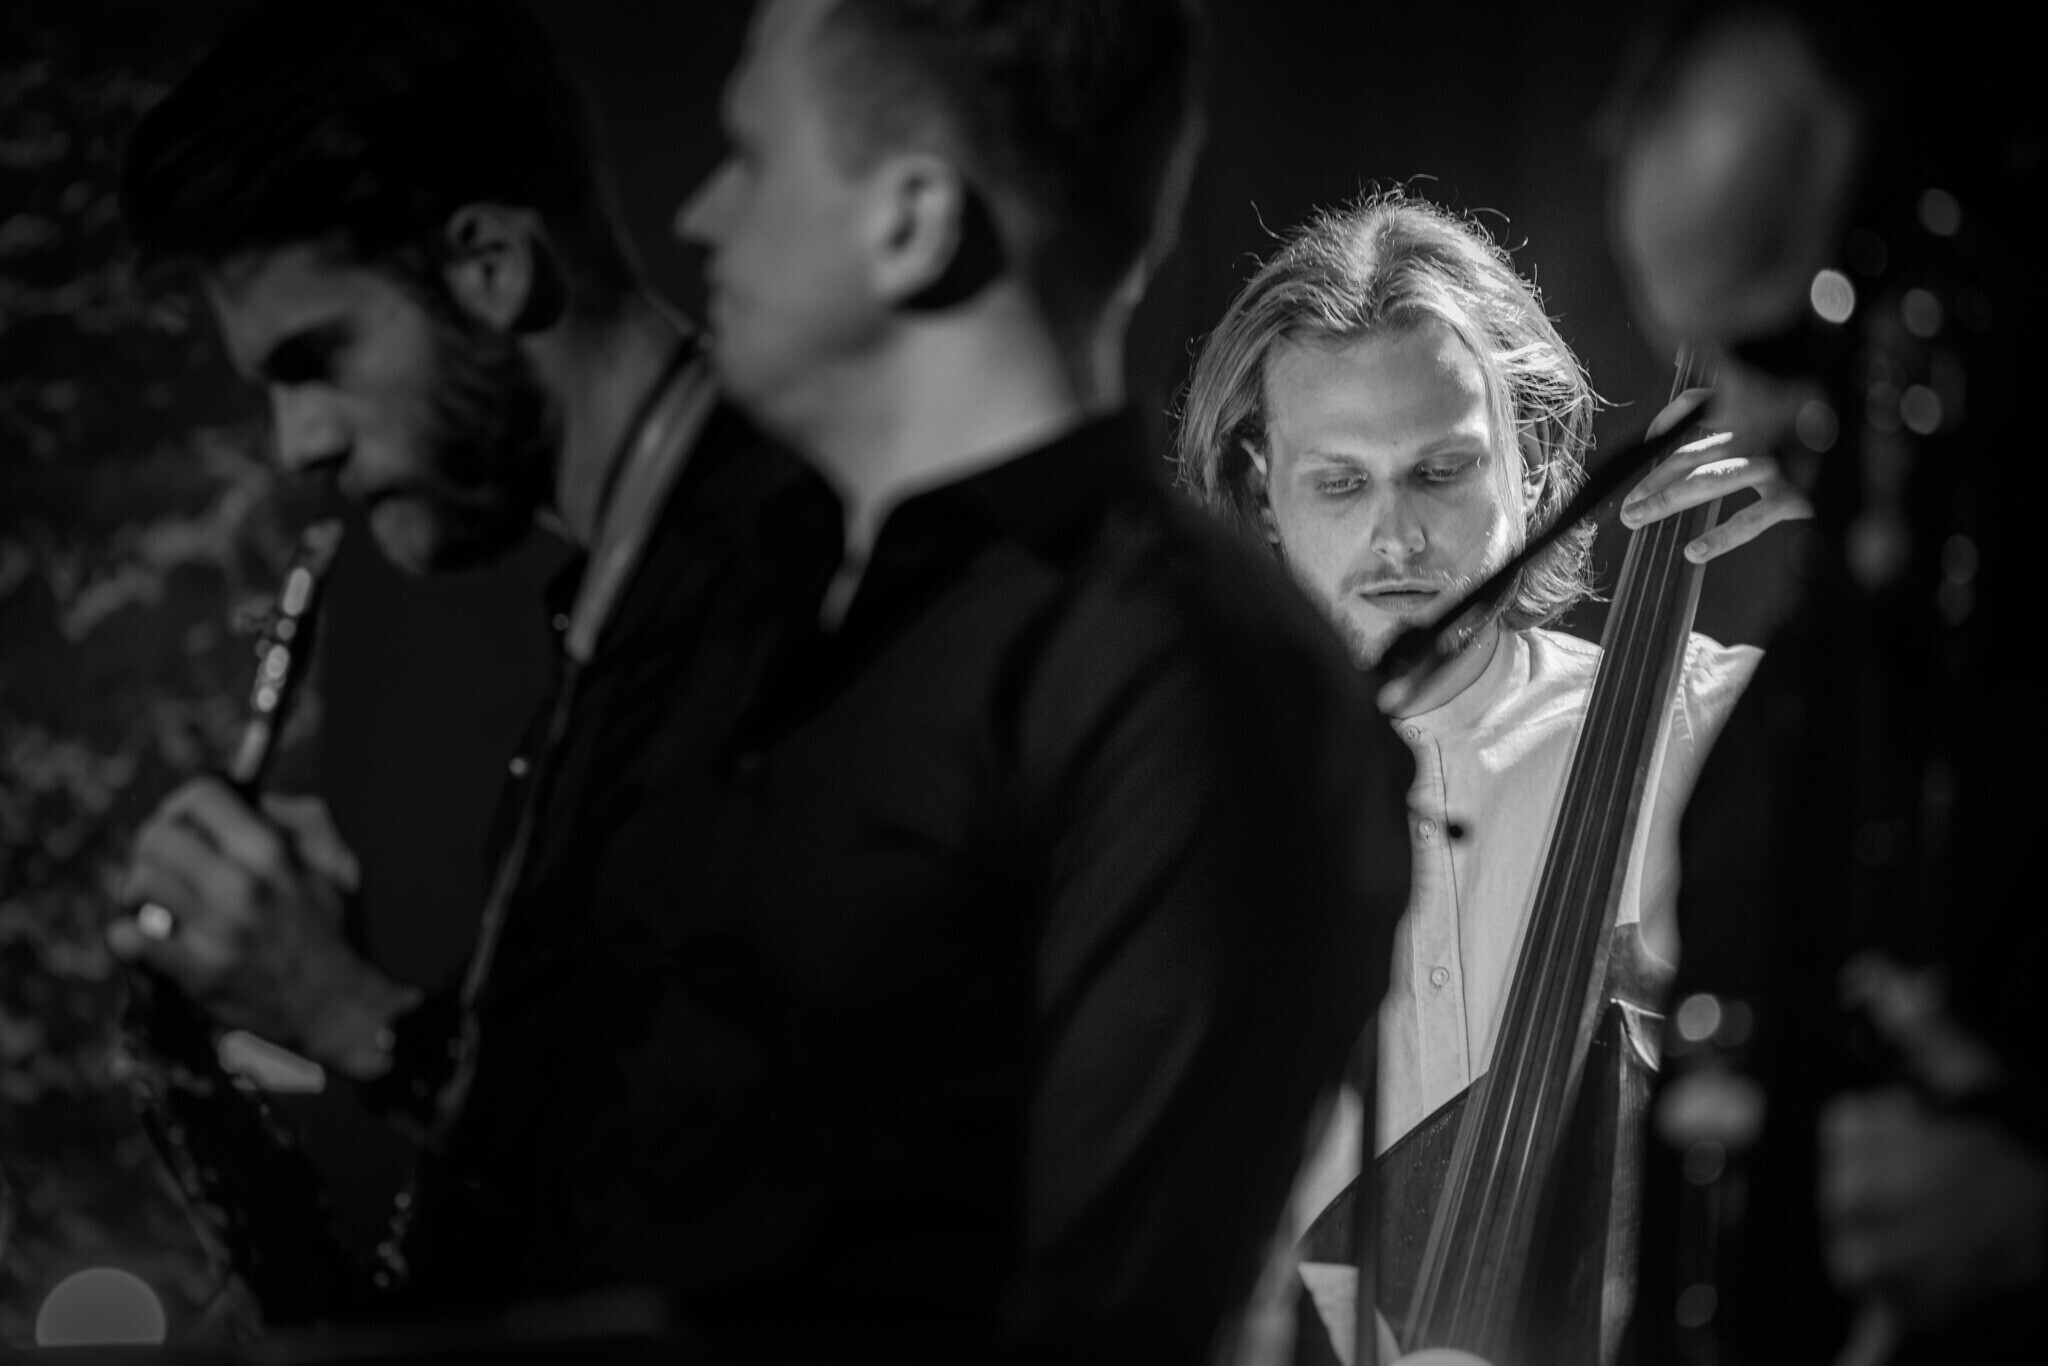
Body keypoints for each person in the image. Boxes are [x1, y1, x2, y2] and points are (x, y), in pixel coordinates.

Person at [649, 1, 1416, 1358]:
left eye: (754, 157)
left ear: (913, 219)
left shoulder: (1185, 671)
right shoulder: (810, 610)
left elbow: (1105, 1305)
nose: (700, 216)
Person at [108, 0, 835, 1338]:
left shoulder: (795, 579)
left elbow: (764, 1193)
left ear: (491, 264)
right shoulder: (614, 614)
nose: (297, 444)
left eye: (317, 361)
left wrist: (344, 1007)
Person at [1175, 189, 1810, 1358]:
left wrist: (1865, 489)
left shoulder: (1717, 727)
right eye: (1339, 482)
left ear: (1537, 457)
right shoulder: (1172, 804)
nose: (1396, 538)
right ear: (1261, 495)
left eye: (1440, 469)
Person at [1608, 4, 2048, 1362]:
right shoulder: (1803, 708)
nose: (1734, 422)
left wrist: (2026, 1216)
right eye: (1699, 353)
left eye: (1774, 347)